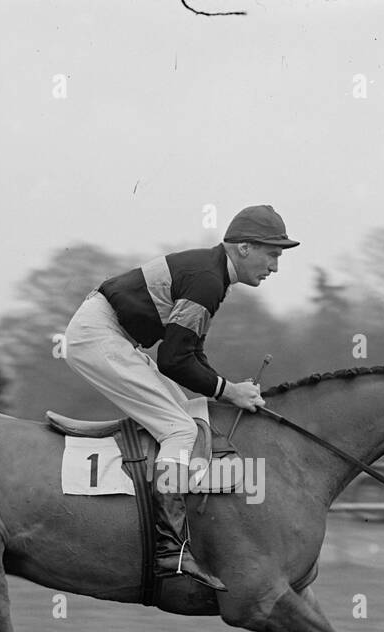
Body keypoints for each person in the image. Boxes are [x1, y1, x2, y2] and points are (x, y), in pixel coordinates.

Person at [62, 205, 300, 591]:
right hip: (99, 336)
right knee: (180, 430)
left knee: (187, 413)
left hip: (110, 334)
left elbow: (189, 353)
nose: (275, 266)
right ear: (242, 248)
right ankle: (168, 547)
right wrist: (229, 390)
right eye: (272, 254)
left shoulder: (213, 275)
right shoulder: (207, 279)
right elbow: (173, 360)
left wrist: (227, 390)